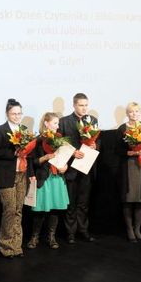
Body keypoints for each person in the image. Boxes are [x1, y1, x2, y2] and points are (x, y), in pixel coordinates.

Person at [0, 98, 34, 258]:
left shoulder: (24, 130)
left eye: (19, 113)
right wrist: (13, 153)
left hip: (22, 174)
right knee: (9, 210)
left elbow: (29, 155)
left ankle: (17, 246)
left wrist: (31, 174)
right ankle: (6, 246)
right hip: (6, 176)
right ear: (7, 114)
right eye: (13, 113)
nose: (17, 116)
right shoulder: (0, 130)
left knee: (18, 210)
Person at [24, 113, 70, 249]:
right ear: (46, 123)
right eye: (55, 123)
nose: (57, 126)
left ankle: (51, 237)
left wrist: (65, 167)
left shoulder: (60, 140)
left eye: (58, 123)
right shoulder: (38, 140)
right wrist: (44, 158)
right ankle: (35, 237)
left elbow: (65, 158)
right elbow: (32, 161)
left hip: (57, 177)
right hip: (44, 178)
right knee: (40, 209)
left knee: (55, 209)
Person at [59, 93, 98, 244]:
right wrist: (72, 152)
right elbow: (59, 143)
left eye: (86, 105)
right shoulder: (64, 121)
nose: (84, 108)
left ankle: (83, 230)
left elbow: (98, 140)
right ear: (74, 105)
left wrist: (95, 145)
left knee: (84, 202)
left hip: (86, 167)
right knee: (71, 203)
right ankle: (70, 233)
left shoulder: (92, 120)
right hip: (71, 168)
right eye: (81, 105)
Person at [116, 102, 141, 243]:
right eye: (131, 111)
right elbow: (117, 150)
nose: (134, 114)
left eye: (137, 111)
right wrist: (130, 152)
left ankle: (137, 229)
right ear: (127, 114)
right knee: (128, 199)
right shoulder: (122, 129)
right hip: (129, 166)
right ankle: (129, 229)